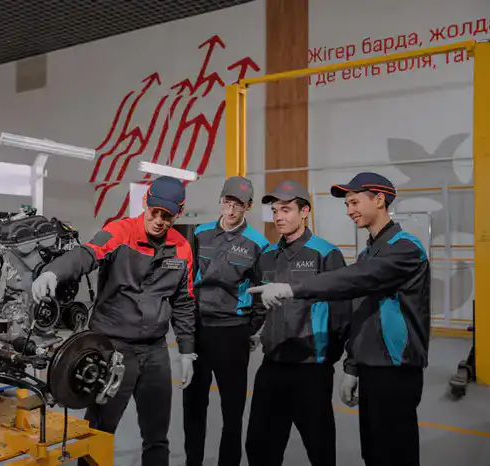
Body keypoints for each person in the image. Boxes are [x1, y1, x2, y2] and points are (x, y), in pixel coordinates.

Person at [249, 172, 431, 466]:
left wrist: (292, 289)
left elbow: (355, 281)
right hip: (371, 368)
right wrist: (353, 367)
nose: (349, 210)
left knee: (395, 455)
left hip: (396, 370)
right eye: (347, 204)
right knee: (374, 454)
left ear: (379, 199)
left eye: (354, 202)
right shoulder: (368, 253)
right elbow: (361, 313)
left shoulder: (406, 248)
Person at [30, 176, 197, 466]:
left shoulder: (182, 248)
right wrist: (54, 272)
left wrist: (186, 351)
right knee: (98, 433)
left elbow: (184, 301)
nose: (159, 220)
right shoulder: (120, 232)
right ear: (145, 202)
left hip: (155, 351)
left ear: (179, 214)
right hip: (113, 349)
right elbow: (86, 253)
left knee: (157, 437)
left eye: (167, 216)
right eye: (154, 211)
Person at [244, 180, 351, 466]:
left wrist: (330, 356)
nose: (278, 216)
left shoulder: (326, 254)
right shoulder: (268, 255)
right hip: (273, 364)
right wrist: (254, 332)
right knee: (259, 447)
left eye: (286, 209)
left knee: (320, 449)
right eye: (275, 210)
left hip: (311, 369)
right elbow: (260, 304)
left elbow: (343, 312)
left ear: (304, 212)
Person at [182, 176, 269, 466]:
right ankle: (193, 461)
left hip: (233, 333)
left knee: (232, 409)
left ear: (248, 207)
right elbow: (187, 280)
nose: (230, 211)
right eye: (227, 203)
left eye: (238, 206)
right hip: (199, 329)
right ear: (220, 201)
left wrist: (251, 328)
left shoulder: (258, 244)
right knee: (193, 405)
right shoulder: (200, 234)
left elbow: (262, 291)